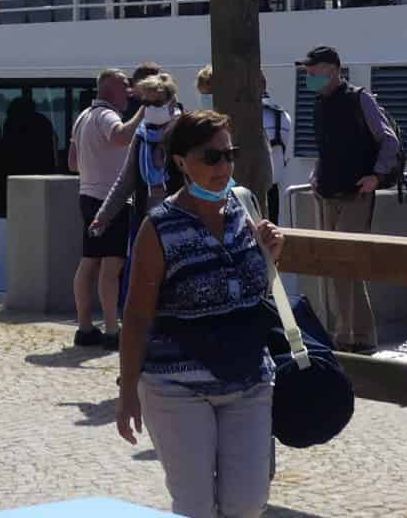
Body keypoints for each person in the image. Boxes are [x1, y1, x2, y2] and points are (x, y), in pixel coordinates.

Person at [115, 110, 284, 518]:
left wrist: (270, 257)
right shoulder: (159, 227)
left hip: (248, 380)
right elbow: (136, 317)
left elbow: (251, 296)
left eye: (229, 155)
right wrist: (126, 393)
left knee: (246, 504)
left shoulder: (246, 207)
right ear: (180, 162)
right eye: (211, 157)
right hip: (176, 386)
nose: (223, 166)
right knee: (195, 508)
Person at [303, 45, 399, 354]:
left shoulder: (360, 98)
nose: (309, 76)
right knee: (341, 267)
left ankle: (347, 337)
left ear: (331, 69)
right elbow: (326, 149)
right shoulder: (320, 103)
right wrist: (316, 176)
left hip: (356, 194)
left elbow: (388, 140)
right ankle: (358, 335)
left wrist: (377, 177)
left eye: (313, 70)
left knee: (343, 264)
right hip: (329, 193)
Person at [70, 69, 143, 349]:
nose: (129, 91)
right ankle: (113, 331)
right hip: (110, 200)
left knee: (88, 262)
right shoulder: (107, 115)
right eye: (125, 85)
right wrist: (143, 113)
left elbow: (72, 163)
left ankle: (85, 328)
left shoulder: (83, 116)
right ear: (110, 87)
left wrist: (96, 162)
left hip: (87, 195)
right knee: (111, 267)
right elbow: (121, 137)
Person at [92, 73, 184, 237]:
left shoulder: (185, 132)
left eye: (156, 103)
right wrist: (103, 216)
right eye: (146, 103)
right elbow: (126, 180)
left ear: (171, 102)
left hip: (180, 220)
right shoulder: (142, 135)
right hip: (146, 220)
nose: (150, 108)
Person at [259, 71, 294, 224]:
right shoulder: (284, 115)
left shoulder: (249, 114)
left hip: (252, 190)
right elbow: (286, 157)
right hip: (275, 189)